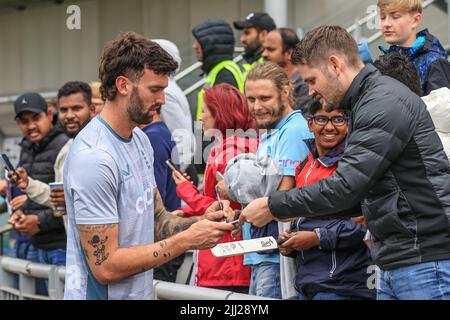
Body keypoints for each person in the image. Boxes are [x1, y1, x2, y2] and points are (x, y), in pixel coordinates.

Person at [240, 25, 450, 300]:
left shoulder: (381, 102)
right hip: (401, 256)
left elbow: (347, 187)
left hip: (423, 259)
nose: (311, 91)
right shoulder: (367, 102)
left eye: (312, 80)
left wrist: (272, 205)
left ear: (334, 64)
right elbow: (356, 193)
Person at [63, 32, 233, 300]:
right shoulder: (93, 157)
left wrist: (203, 222)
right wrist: (186, 241)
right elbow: (105, 267)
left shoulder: (140, 140)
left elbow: (158, 221)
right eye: (155, 89)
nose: (162, 100)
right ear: (123, 85)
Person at [279, 99, 375, 300]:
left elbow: (364, 226)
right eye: (322, 119)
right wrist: (293, 243)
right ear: (310, 123)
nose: (329, 127)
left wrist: (316, 237)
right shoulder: (306, 164)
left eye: (338, 119)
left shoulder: (353, 165)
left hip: (344, 284)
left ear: (349, 123)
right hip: (310, 282)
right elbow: (311, 221)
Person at [172, 83, 257, 293]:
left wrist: (186, 191)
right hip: (232, 259)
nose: (200, 118)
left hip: (224, 261)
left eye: (204, 111)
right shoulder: (247, 144)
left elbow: (222, 210)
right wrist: (187, 212)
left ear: (219, 114)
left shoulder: (227, 151)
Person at [238, 62, 312, 299]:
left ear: (285, 92)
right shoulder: (275, 130)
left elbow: (285, 196)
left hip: (275, 257)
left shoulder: (292, 131)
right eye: (251, 99)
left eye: (264, 98)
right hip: (263, 253)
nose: (257, 107)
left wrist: (233, 191)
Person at [12, 82, 95, 216]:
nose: (69, 115)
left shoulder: (103, 144)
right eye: (63, 110)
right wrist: (27, 184)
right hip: (72, 235)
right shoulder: (67, 149)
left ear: (91, 110)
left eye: (76, 108)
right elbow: (58, 199)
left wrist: (39, 221)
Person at [7, 92, 69, 268]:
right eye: (24, 121)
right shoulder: (26, 148)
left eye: (36, 118)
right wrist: (22, 213)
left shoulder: (65, 146)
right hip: (35, 245)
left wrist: (39, 222)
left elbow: (70, 202)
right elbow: (34, 194)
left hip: (62, 246)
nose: (31, 126)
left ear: (49, 115)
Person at [140, 103, 184, 283]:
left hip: (159, 241)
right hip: (163, 238)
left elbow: (153, 197)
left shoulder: (152, 137)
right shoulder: (160, 133)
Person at [378, 0, 450, 95]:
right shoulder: (387, 62)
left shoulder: (434, 63)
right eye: (382, 17)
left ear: (415, 20)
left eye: (395, 17)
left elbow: (443, 108)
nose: (386, 24)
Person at [152, 39, 196, 174]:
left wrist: (175, 175)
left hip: (177, 171)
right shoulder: (170, 87)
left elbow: (181, 138)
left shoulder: (166, 91)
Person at [192, 19, 245, 120]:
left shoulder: (225, 74)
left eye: (199, 42)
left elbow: (226, 122)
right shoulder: (218, 70)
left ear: (212, 44)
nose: (194, 46)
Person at [262, 27, 310, 113]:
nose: (264, 54)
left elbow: (305, 121)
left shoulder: (305, 84)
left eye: (271, 49)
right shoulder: (270, 81)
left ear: (289, 53)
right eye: (264, 49)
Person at [234, 12, 276, 77]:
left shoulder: (275, 66)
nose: (242, 39)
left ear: (263, 35)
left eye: (247, 33)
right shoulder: (236, 63)